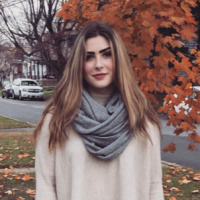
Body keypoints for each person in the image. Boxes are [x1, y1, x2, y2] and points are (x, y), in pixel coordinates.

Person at [34, 21, 164, 200]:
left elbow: (154, 187)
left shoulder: (142, 118)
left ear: (118, 58)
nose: (98, 64)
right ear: (79, 64)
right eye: (89, 57)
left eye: (107, 55)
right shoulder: (58, 118)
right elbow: (46, 186)